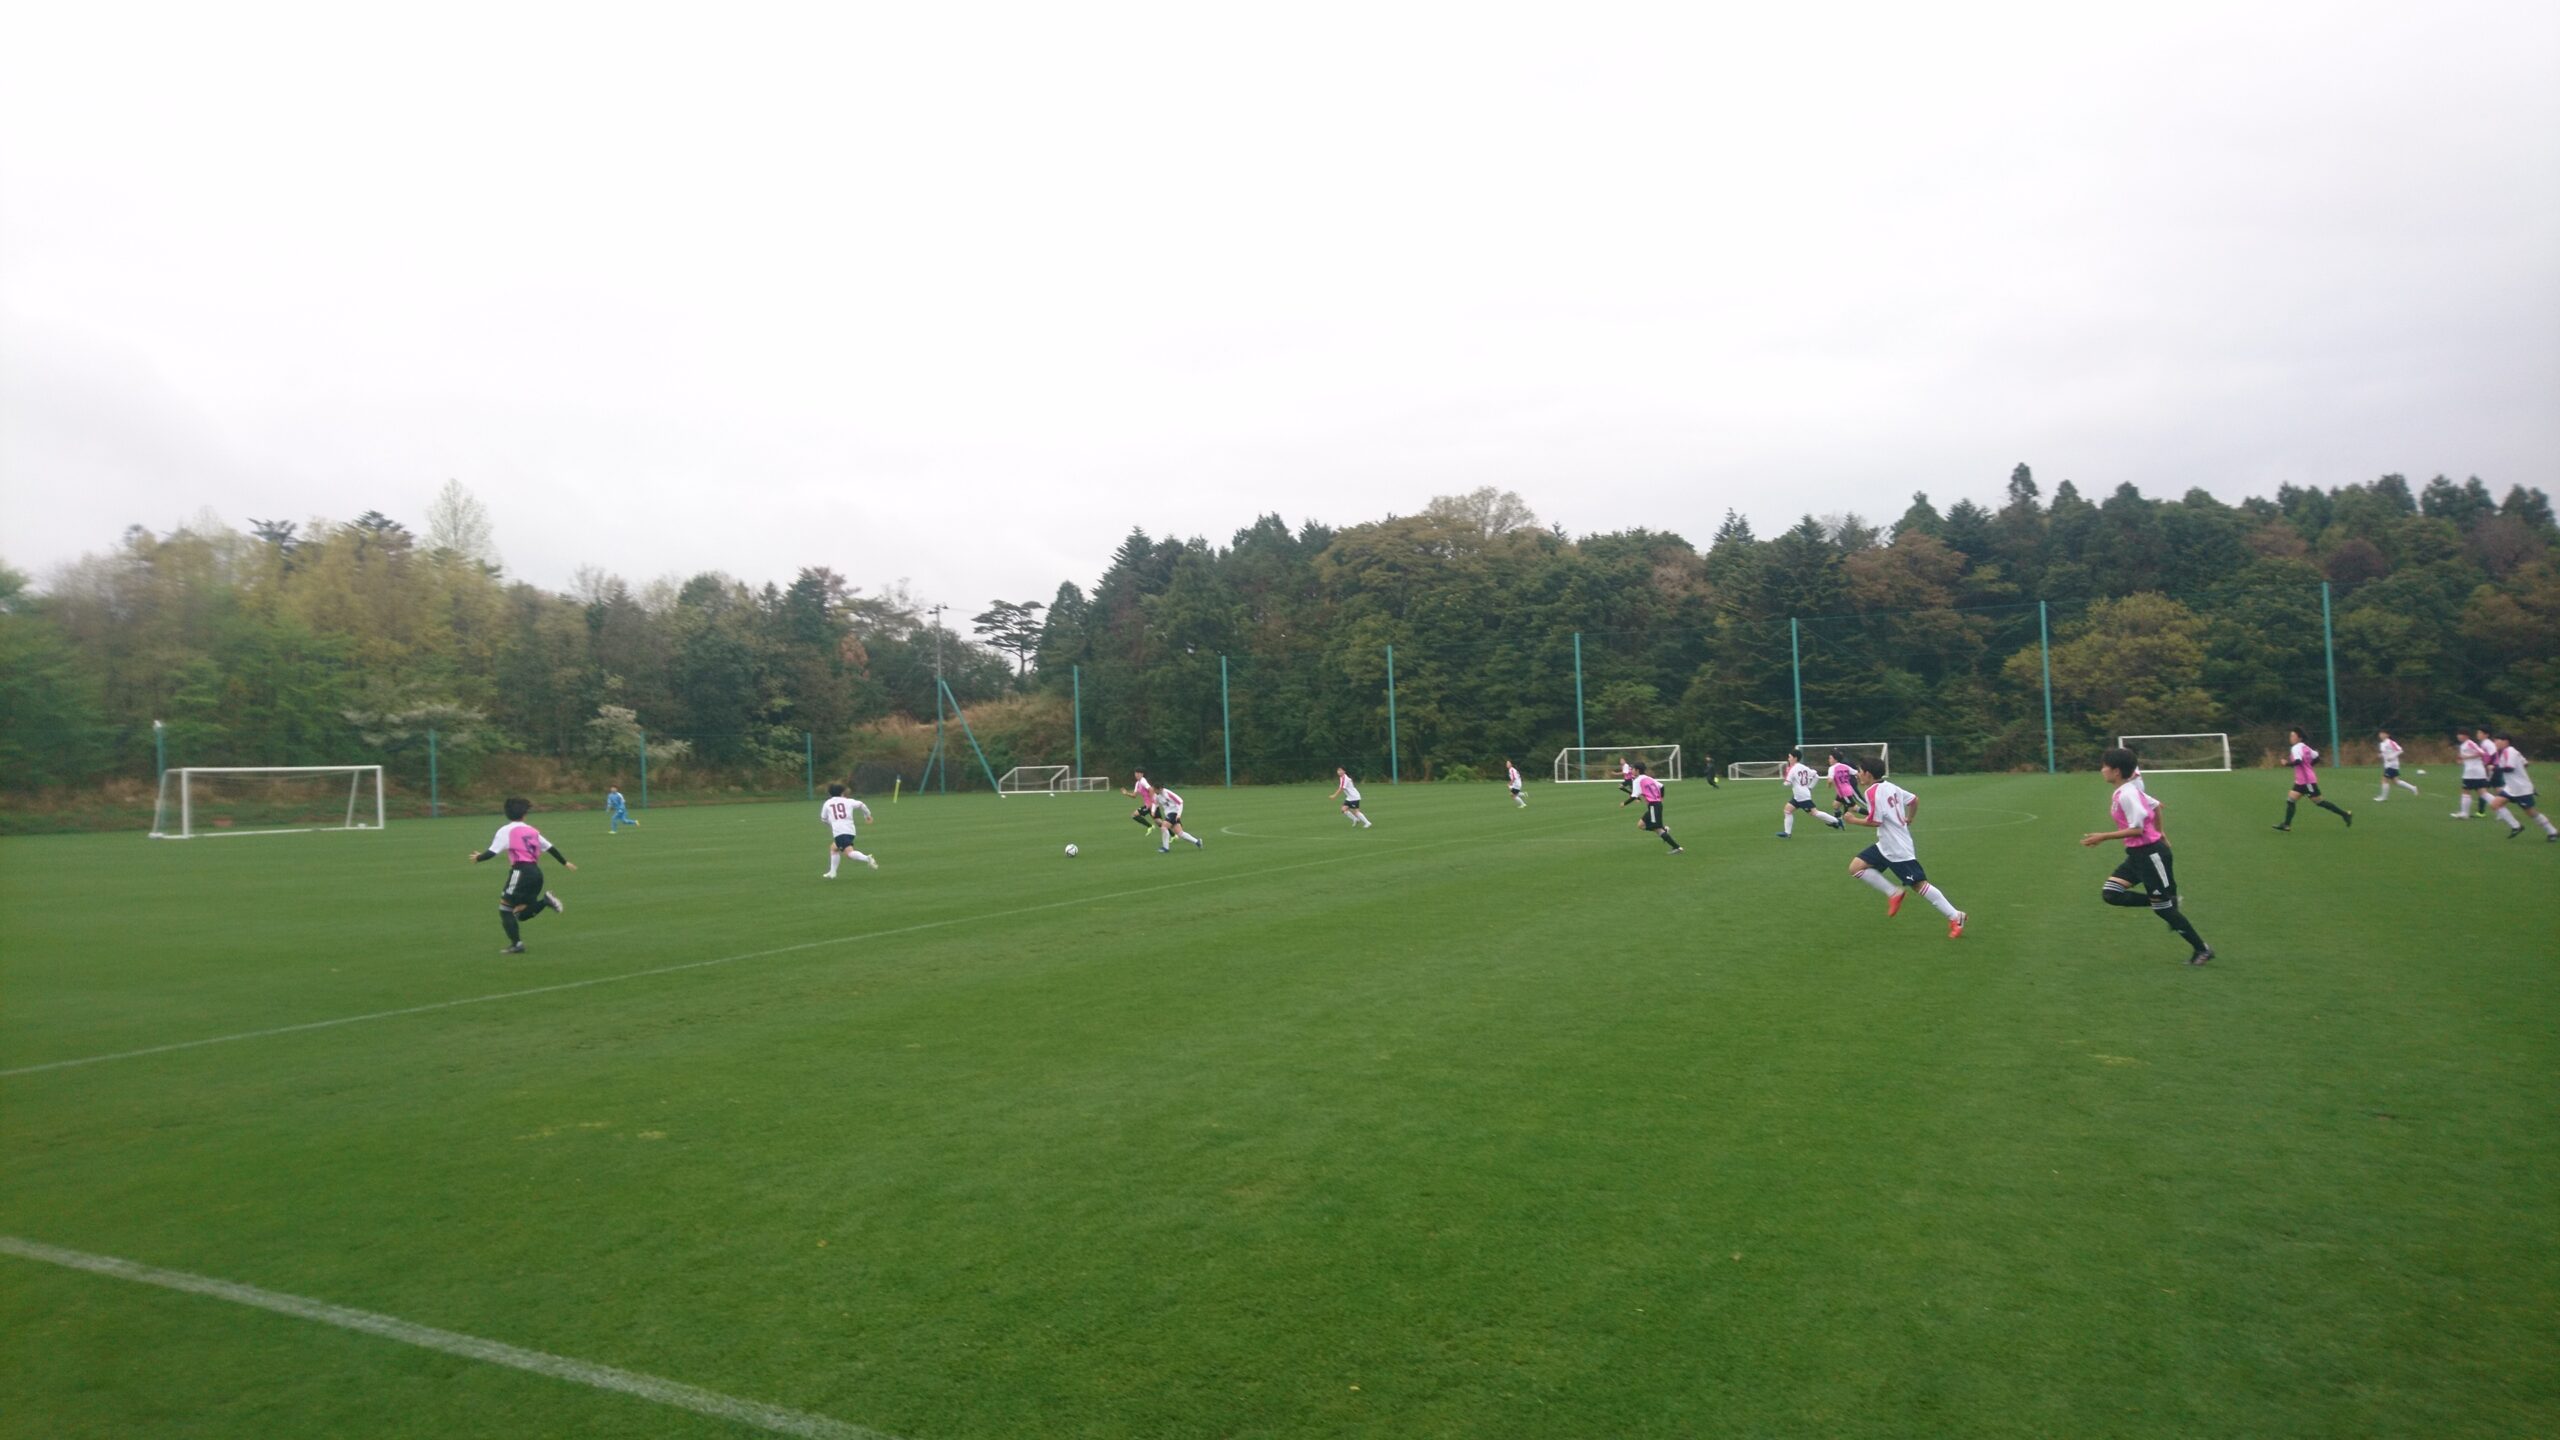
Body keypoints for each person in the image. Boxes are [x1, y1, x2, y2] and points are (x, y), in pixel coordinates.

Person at [2082, 746, 2213, 964]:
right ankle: (2168, 901)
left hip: (2151, 855)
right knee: (2111, 894)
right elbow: (2156, 806)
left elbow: (2138, 828)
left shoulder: (2128, 794)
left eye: (2105, 766)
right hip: (2136, 855)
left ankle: (2202, 949)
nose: (2102, 769)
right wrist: (2161, 833)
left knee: (2164, 911)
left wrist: (2103, 836)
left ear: (2116, 771)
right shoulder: (2126, 791)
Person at [1839, 756, 1966, 938]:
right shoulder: (1892, 787)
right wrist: (1910, 818)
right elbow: (1914, 800)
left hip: (1897, 848)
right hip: (1885, 844)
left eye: (1860, 771)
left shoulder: (1872, 791)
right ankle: (1894, 892)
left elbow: (1876, 821)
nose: (1858, 775)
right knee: (1856, 867)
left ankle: (1956, 916)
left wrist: (1853, 820)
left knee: (1919, 885)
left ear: (1868, 773)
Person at [469, 797, 573, 954]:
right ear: (525, 814)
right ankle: (545, 901)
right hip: (536, 873)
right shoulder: (532, 831)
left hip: (521, 872)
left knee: (505, 909)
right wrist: (564, 862)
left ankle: (517, 945)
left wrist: (478, 858)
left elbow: (492, 852)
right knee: (520, 913)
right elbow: (550, 847)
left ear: (506, 813)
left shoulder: (506, 831)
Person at [2483, 732, 2559, 841]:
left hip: (2521, 789)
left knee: (2531, 812)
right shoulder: (2509, 751)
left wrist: (2494, 768)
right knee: (2495, 804)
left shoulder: (2509, 751)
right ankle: (2516, 826)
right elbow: (2525, 763)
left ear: (2505, 741)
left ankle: (2552, 831)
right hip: (2511, 787)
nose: (2495, 742)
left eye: (2497, 740)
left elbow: (2510, 768)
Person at [2274, 728, 2352, 831]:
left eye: (2293, 736)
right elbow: (2317, 757)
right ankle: (2286, 825)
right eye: (2290, 736)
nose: (2291, 738)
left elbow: (2298, 761)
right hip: (2301, 781)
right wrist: (2309, 767)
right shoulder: (2305, 747)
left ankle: (2345, 814)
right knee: (2291, 800)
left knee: (2319, 802)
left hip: (2307, 782)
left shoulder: (2296, 748)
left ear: (2299, 738)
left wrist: (2286, 764)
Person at [1775, 747, 1843, 838]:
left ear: (1795, 758)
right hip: (1799, 796)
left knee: (1814, 813)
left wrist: (1785, 781)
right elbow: (1816, 776)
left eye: (1790, 757)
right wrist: (1810, 787)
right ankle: (1787, 833)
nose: (1788, 759)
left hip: (1802, 796)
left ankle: (1836, 821)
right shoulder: (1804, 767)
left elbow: (1787, 783)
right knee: (1787, 810)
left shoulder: (1793, 769)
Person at [1619, 761, 1684, 853]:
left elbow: (1634, 796)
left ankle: (1677, 847)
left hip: (1654, 805)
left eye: (1632, 769)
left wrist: (1624, 803)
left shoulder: (1637, 780)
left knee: (1657, 829)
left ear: (1637, 770)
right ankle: (1664, 829)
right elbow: (1662, 786)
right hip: (1655, 805)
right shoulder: (1648, 778)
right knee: (1641, 825)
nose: (1631, 771)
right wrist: (1661, 798)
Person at [819, 783, 877, 877]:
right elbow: (861, 805)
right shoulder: (848, 801)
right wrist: (867, 815)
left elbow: (823, 819)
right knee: (834, 848)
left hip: (839, 832)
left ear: (830, 794)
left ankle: (867, 858)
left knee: (849, 853)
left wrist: (831, 824)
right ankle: (832, 872)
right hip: (850, 830)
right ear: (842, 793)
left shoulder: (827, 803)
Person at [2453, 728, 2494, 820]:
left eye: (2461, 734)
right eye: (2458, 734)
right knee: (2482, 793)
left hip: (2473, 772)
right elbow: (2465, 757)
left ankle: (2464, 813)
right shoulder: (2463, 745)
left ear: (2466, 736)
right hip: (2472, 771)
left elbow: (2481, 753)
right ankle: (2500, 808)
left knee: (2466, 790)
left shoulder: (2470, 743)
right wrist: (2462, 760)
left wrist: (2466, 757)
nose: (2459, 736)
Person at [2373, 731, 2420, 803]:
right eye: (2380, 734)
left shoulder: (2391, 742)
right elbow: (2385, 752)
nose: (2381, 735)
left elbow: (2400, 750)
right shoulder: (2382, 744)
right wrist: (2381, 755)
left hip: (2392, 764)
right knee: (2396, 782)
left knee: (2384, 780)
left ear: (2387, 735)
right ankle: (2413, 788)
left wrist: (2392, 757)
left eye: (2383, 734)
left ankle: (2384, 797)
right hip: (2387, 765)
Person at [1155, 784, 1205, 851]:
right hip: (1169, 814)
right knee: (1180, 833)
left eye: (1155, 789)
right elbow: (1155, 804)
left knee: (1163, 827)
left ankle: (1165, 848)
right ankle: (1197, 841)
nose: (1154, 791)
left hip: (1174, 813)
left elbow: (1180, 802)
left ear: (1160, 788)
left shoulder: (1168, 793)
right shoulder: (1158, 796)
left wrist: (1178, 815)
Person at [1826, 750, 1869, 823]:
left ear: (1835, 759)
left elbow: (1830, 780)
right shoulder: (1844, 766)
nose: (1829, 760)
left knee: (1854, 808)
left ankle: (1872, 815)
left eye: (1830, 758)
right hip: (1847, 789)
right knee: (1835, 805)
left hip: (1843, 793)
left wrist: (1829, 785)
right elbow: (1857, 773)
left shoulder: (1832, 768)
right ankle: (1837, 822)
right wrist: (1861, 781)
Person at [1123, 771, 1160, 838]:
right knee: (1159, 822)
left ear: (1142, 774)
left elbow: (1151, 789)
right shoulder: (1137, 783)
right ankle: (1174, 835)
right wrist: (1126, 793)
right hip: (1149, 805)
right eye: (1136, 773)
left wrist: (1151, 802)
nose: (1137, 775)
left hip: (1151, 805)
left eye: (1139, 773)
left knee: (1134, 815)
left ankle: (1150, 826)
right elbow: (1134, 796)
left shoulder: (1143, 781)